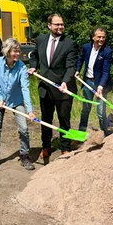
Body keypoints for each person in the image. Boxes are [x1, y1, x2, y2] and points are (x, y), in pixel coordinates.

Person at [28, 13, 78, 162]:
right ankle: (46, 147)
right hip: (45, 88)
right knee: (46, 120)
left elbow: (71, 66)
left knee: (64, 120)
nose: (60, 27)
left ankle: (65, 148)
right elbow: (34, 55)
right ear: (49, 25)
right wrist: (33, 67)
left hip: (63, 89)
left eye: (62, 24)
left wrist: (65, 82)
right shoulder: (41, 39)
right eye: (57, 24)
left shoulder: (70, 43)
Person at [0, 38, 36, 171]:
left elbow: (25, 89)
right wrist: (0, 99)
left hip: (16, 100)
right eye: (15, 51)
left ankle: (25, 156)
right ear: (7, 51)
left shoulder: (21, 67)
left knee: (23, 128)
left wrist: (30, 111)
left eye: (18, 51)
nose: (17, 54)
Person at [76, 27, 112, 137]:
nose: (101, 39)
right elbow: (81, 58)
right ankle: (81, 133)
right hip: (87, 82)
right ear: (93, 37)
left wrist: (100, 86)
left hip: (101, 85)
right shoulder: (86, 47)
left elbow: (106, 71)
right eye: (99, 37)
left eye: (103, 37)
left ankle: (104, 135)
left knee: (101, 112)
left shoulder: (107, 51)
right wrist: (77, 70)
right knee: (85, 109)